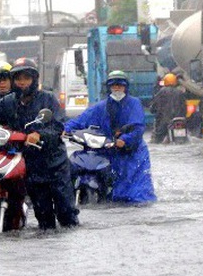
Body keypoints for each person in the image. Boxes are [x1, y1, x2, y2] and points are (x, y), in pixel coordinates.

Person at [0, 57, 79, 228]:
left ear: (34, 79)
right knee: (43, 216)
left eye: (26, 78)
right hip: (29, 164)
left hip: (54, 163)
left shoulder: (48, 99)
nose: (22, 82)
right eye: (18, 78)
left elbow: (59, 126)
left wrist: (39, 134)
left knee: (66, 212)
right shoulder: (8, 102)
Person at [64, 70, 157, 204]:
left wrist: (124, 140)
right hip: (108, 149)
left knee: (136, 194)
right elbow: (81, 119)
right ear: (109, 88)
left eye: (120, 85)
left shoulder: (134, 104)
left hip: (132, 152)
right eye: (114, 85)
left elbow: (138, 127)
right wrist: (65, 129)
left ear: (126, 87)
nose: (117, 88)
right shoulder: (101, 107)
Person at [149, 73, 188, 144]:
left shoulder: (161, 92)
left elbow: (154, 105)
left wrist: (152, 109)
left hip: (164, 121)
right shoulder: (180, 92)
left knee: (157, 140)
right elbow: (184, 107)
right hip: (180, 120)